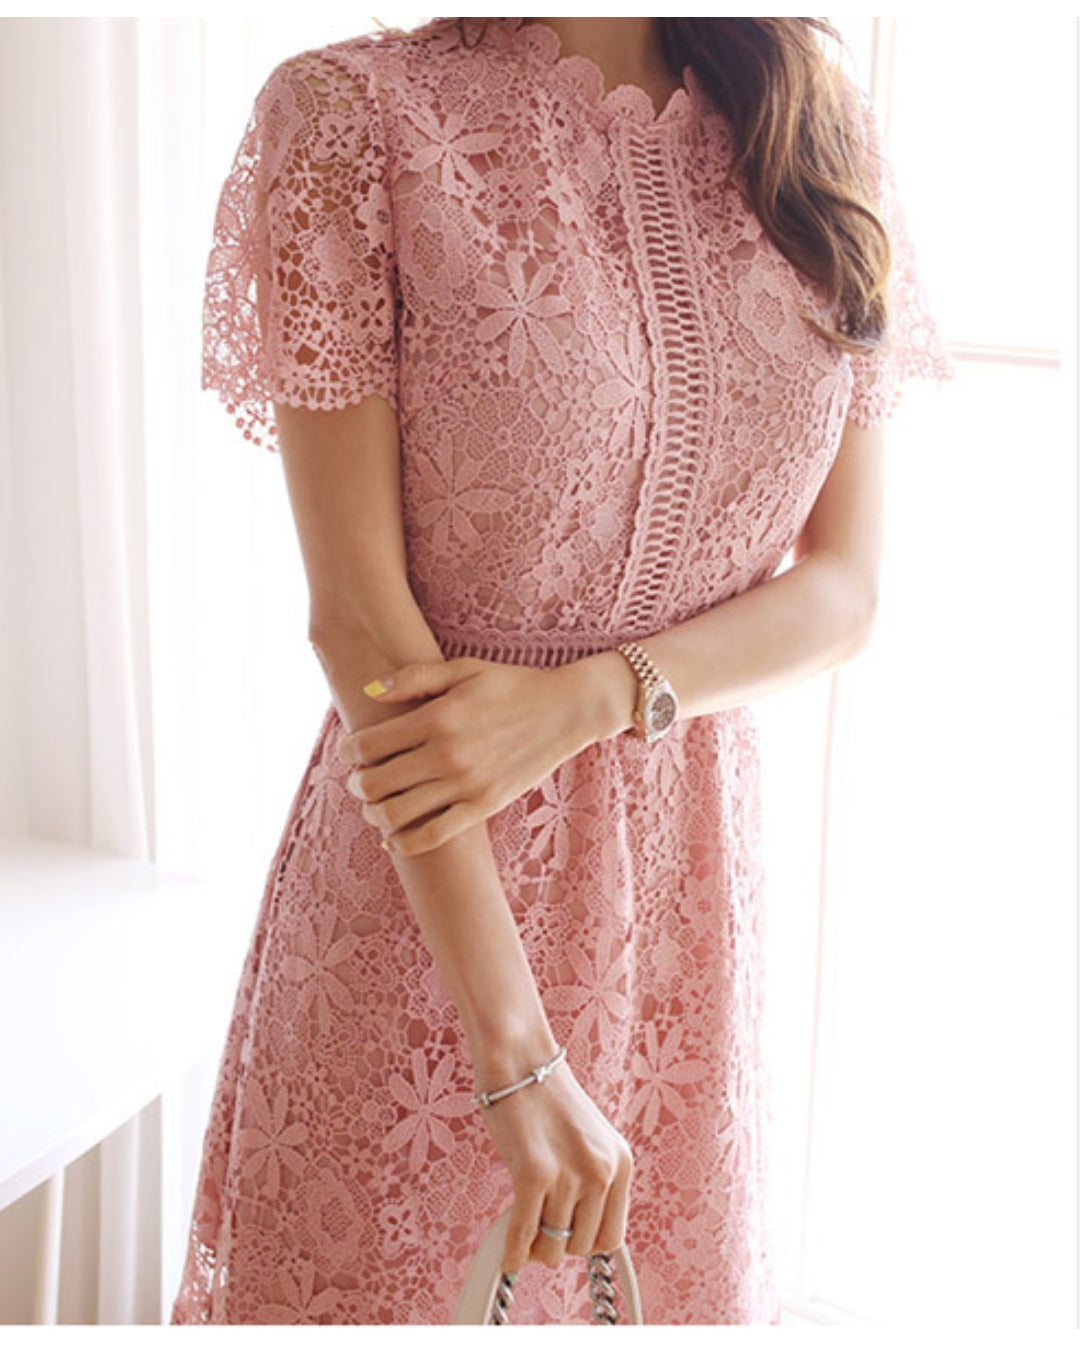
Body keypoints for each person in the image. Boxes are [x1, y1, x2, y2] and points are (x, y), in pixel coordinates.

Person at [169, 15, 953, 1325]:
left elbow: (846, 589)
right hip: (432, 904)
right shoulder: (353, 119)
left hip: (685, 918)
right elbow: (357, 621)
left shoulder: (809, 117)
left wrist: (593, 695)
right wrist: (518, 1058)